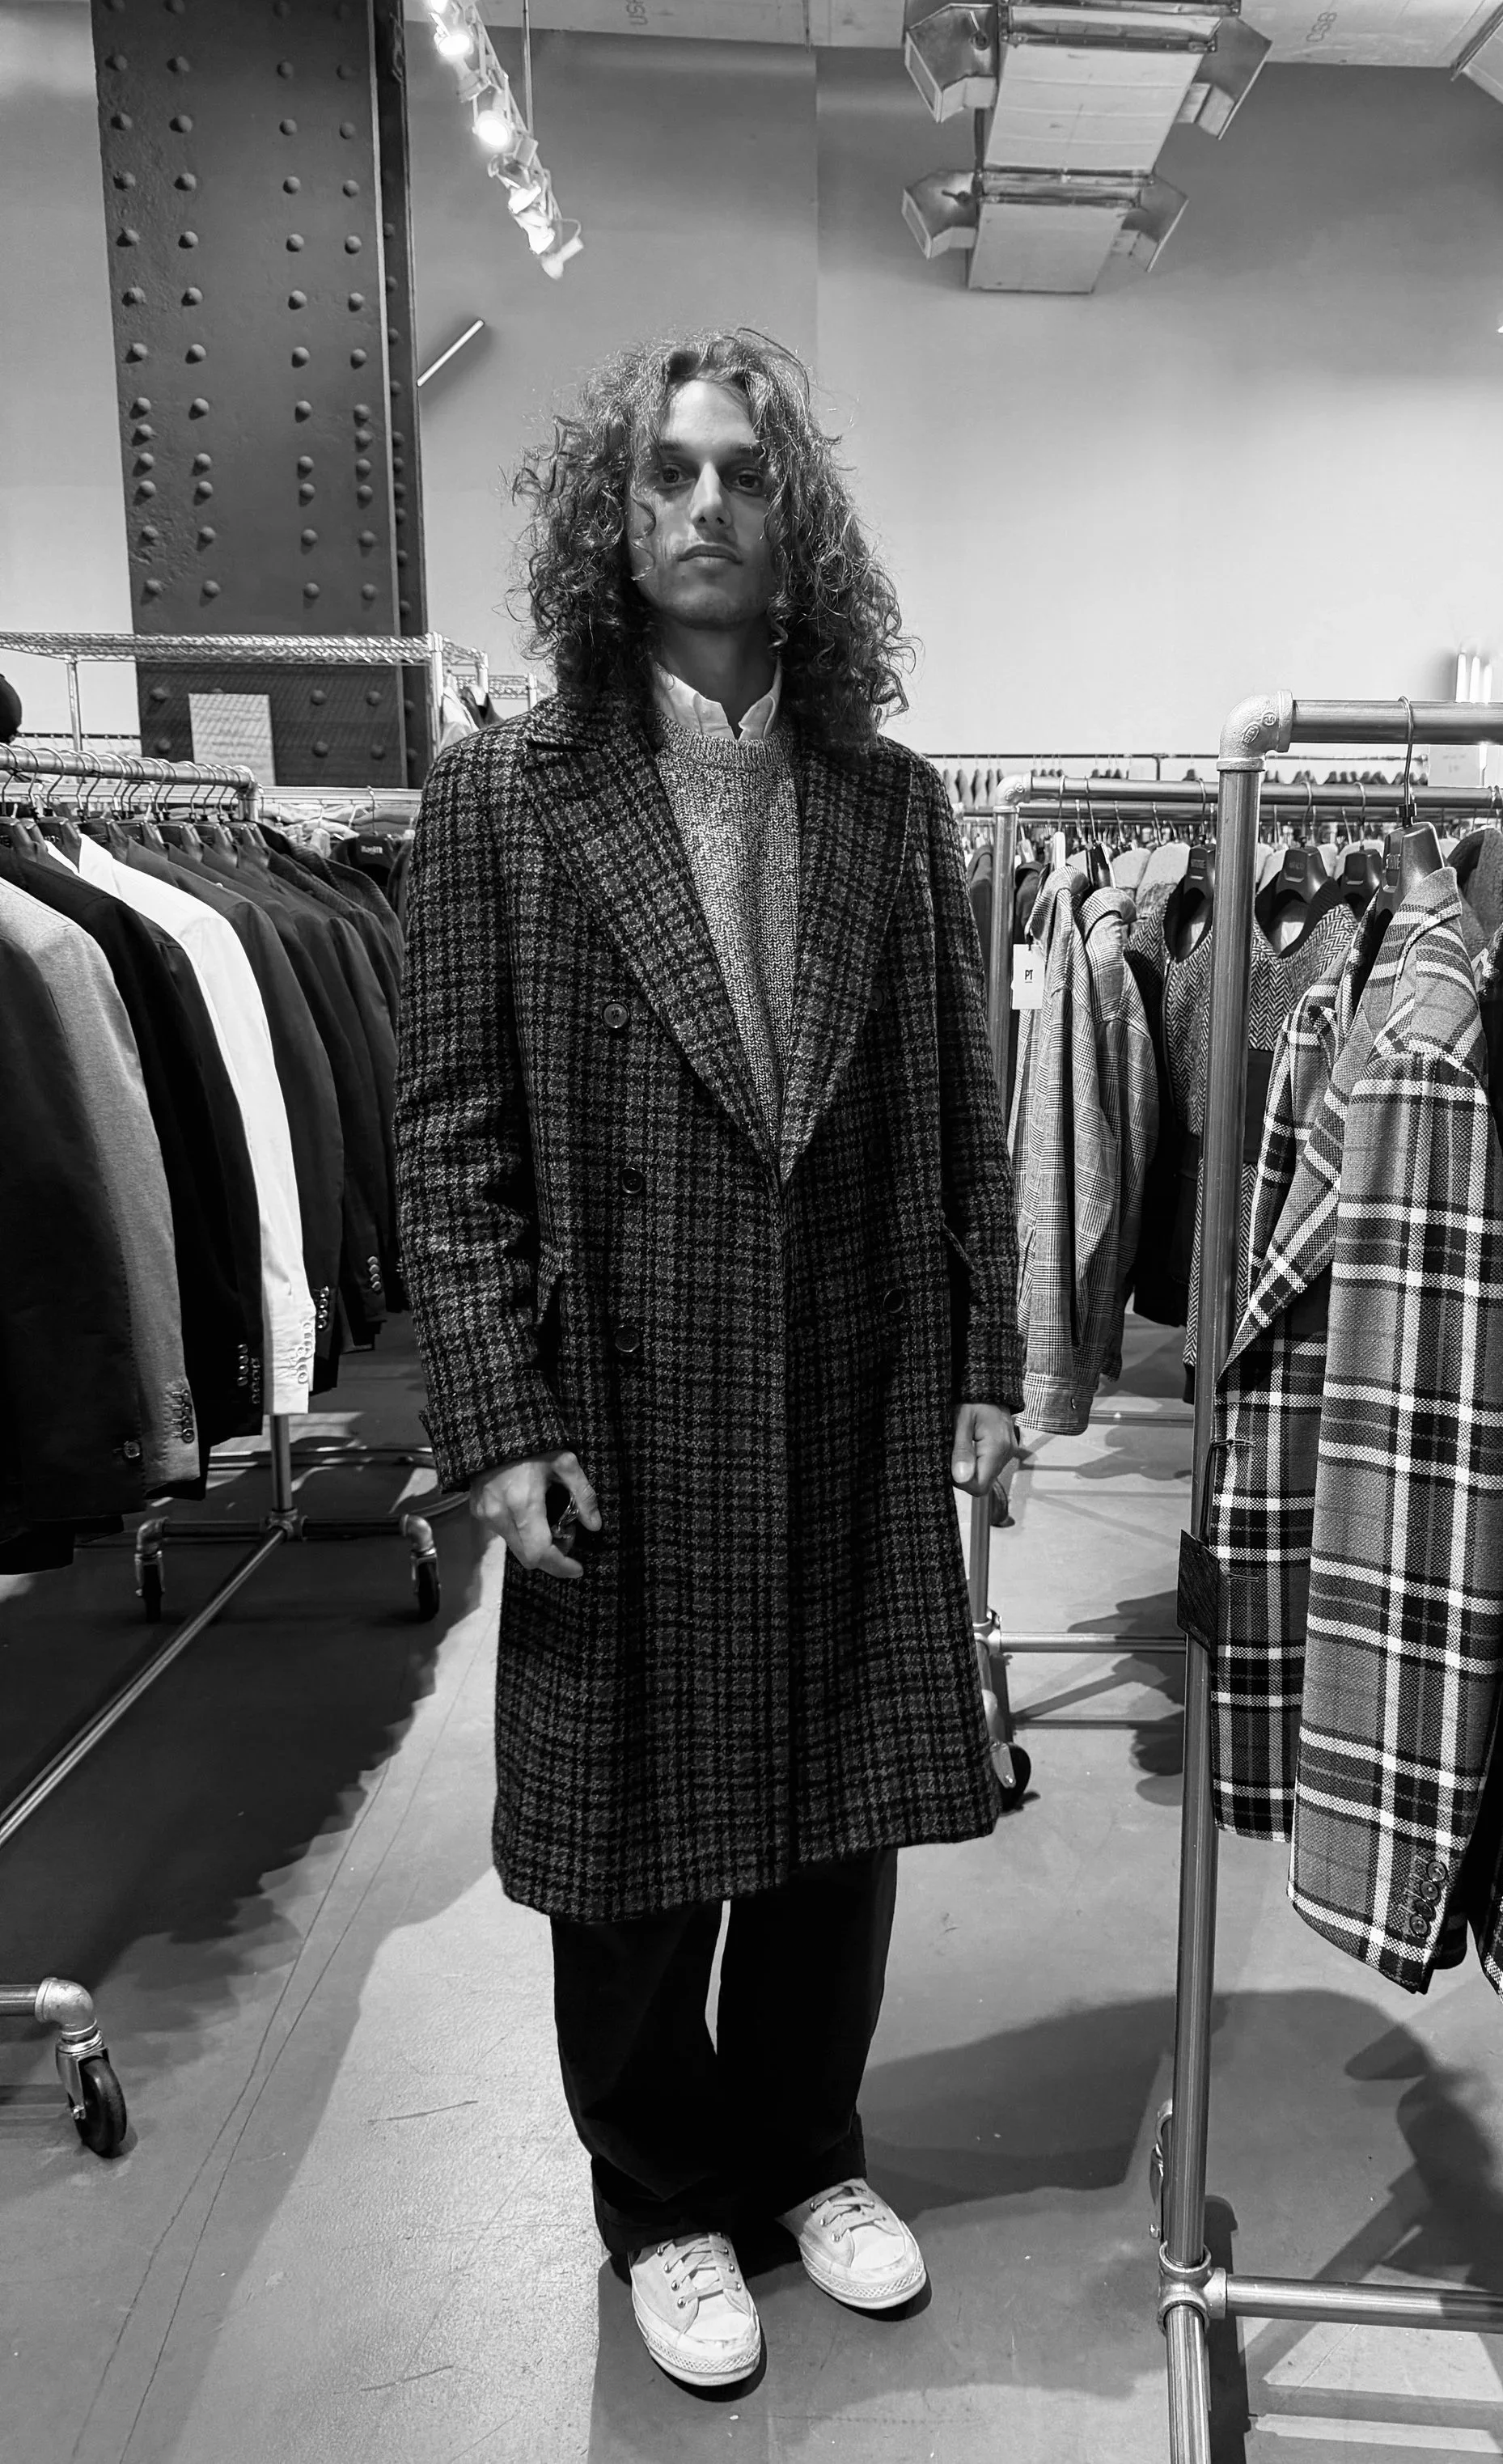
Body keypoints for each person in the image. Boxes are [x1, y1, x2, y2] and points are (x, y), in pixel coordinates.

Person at [394, 331, 1022, 2393]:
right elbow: (452, 1127)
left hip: (843, 1364)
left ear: (795, 517)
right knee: (634, 1832)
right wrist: (496, 1417)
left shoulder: (882, 794)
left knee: (836, 1811)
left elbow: (954, 1097)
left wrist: (985, 1357)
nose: (699, 509)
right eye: (664, 474)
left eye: (742, 475)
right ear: (613, 509)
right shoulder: (505, 789)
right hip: (622, 1385)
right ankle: (661, 2195)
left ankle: (806, 2152)